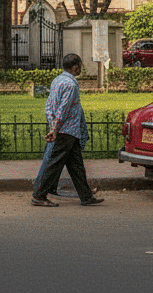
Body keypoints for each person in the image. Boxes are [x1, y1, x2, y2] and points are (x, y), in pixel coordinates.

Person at [32, 53, 104, 207]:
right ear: (75, 66)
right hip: (66, 131)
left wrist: (52, 124)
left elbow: (49, 106)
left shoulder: (57, 80)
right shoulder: (71, 85)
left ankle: (86, 196)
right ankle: (38, 195)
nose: (81, 68)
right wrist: (56, 130)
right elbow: (63, 110)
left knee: (76, 166)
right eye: (80, 65)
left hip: (69, 131)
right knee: (52, 164)